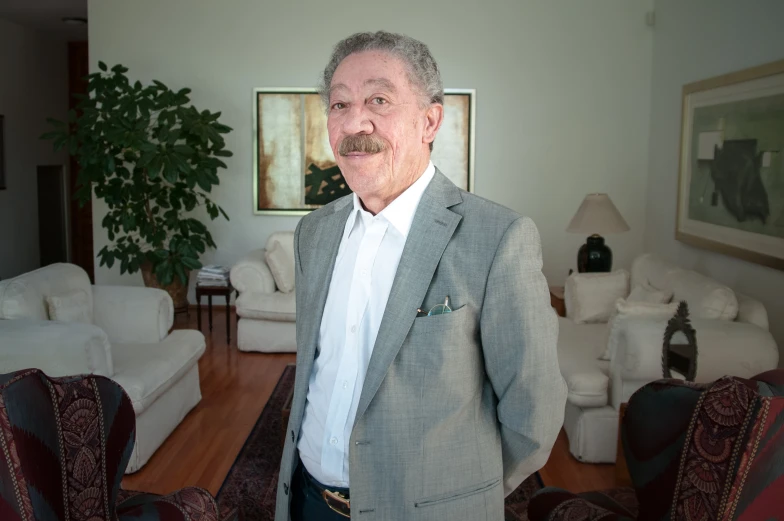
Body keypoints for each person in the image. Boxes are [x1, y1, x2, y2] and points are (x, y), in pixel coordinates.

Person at [275, 31, 566, 521]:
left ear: (430, 120)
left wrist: (461, 496)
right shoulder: (313, 234)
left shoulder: (499, 238)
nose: (354, 121)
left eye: (379, 100)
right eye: (339, 104)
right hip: (306, 500)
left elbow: (533, 413)